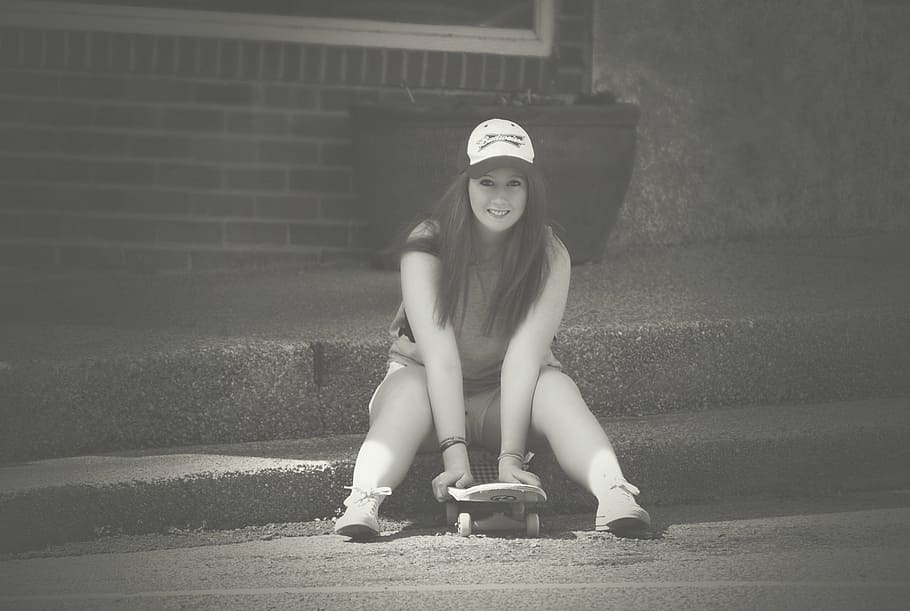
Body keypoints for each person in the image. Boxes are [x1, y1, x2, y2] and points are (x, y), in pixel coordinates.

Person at [334, 118, 650, 538]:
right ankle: (363, 500)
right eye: (487, 181)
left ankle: (614, 493)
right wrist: (454, 458)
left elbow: (524, 358)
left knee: (557, 388)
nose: (499, 197)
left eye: (514, 183)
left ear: (530, 189)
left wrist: (511, 458)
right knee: (409, 390)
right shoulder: (428, 244)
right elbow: (441, 357)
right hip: (426, 394)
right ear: (466, 183)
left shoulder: (549, 253)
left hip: (504, 403)